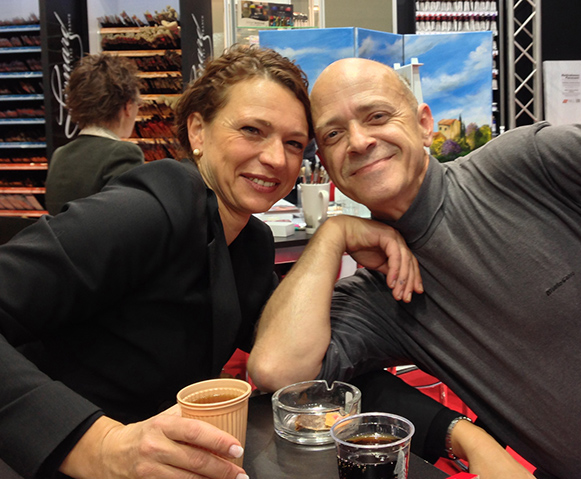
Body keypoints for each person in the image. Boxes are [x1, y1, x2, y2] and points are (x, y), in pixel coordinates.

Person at [249, 58, 581, 478]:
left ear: (423, 123)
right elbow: (277, 372)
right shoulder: (381, 291)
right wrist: (333, 236)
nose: (359, 141)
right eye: (334, 134)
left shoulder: (525, 165)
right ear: (325, 162)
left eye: (376, 116)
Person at [1, 45, 521, 479]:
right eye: (252, 130)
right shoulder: (149, 210)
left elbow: (314, 368)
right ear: (198, 132)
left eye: (294, 143)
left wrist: (456, 433)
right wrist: (99, 445)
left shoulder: (248, 244)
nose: (275, 158)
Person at [45, 53, 145, 215]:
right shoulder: (124, 153)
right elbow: (129, 218)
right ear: (127, 106)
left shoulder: (60, 155)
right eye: (138, 104)